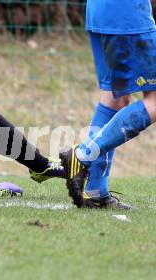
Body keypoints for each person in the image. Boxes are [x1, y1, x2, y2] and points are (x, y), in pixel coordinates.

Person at [60, 0, 156, 209]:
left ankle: (96, 191)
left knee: (114, 99)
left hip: (99, 11)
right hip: (127, 16)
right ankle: (82, 155)